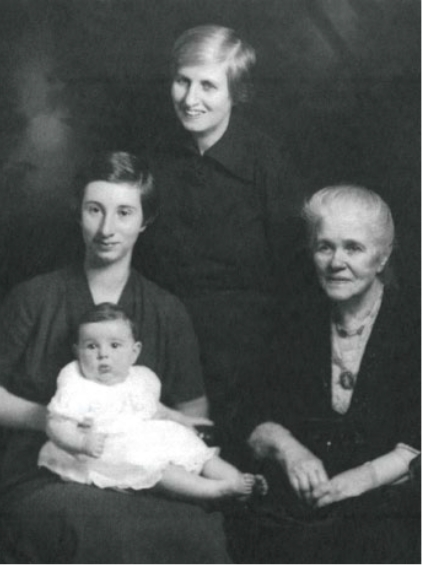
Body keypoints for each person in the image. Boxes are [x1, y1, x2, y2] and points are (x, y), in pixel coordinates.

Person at [0, 151, 233, 563]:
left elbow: (193, 412)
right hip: (45, 473)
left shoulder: (166, 310)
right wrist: (59, 424)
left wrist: (154, 440)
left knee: (200, 534)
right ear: (78, 213)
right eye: (95, 210)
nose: (107, 229)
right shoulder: (33, 299)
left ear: (144, 220)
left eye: (124, 213)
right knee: (107, 531)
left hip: (142, 474)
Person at [135, 25, 308, 456]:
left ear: (237, 92)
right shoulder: (152, 161)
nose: (190, 98)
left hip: (250, 354)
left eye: (208, 85)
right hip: (167, 343)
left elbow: (296, 275)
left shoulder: (267, 163)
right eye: (182, 81)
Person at [240, 185, 420, 563]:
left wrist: (361, 479)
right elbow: (251, 418)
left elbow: (417, 442)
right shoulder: (291, 320)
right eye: (325, 247)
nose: (337, 262)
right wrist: (289, 450)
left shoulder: (413, 324)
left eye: (353, 248)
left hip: (389, 512)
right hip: (301, 509)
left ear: (383, 256)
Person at [39, 302, 266, 501]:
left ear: (134, 352)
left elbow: (153, 408)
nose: (103, 354)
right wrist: (81, 443)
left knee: (192, 447)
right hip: (108, 448)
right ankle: (215, 490)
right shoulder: (77, 382)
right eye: (91, 346)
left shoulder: (140, 378)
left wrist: (181, 419)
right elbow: (56, 424)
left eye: (114, 345)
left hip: (145, 436)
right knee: (159, 468)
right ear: (77, 352)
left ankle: (236, 480)